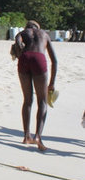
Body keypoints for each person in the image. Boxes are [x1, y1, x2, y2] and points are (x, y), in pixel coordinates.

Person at [13, 20, 57, 151]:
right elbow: (54, 61)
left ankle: (26, 135)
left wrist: (19, 46)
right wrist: (52, 83)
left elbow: (17, 41)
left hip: (24, 59)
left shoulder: (22, 33)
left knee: (27, 100)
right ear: (38, 27)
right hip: (39, 59)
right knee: (42, 101)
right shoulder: (44, 34)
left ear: (27, 27)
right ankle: (38, 136)